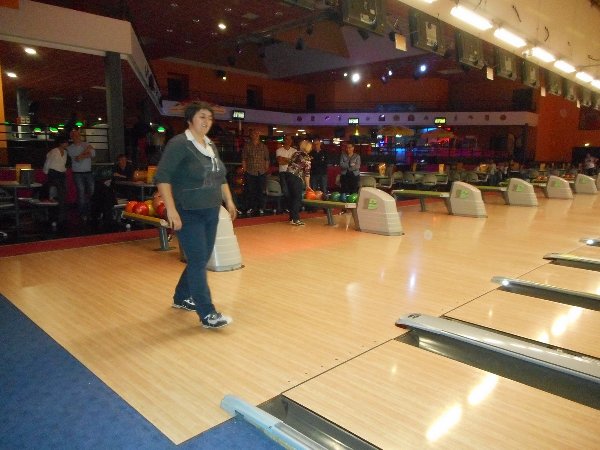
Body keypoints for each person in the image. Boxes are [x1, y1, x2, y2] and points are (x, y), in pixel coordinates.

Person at [154, 101, 236, 329]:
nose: (206, 121)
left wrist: (228, 200)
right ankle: (207, 313)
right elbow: (162, 177)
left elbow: (220, 177)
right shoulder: (179, 144)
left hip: (211, 211)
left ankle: (181, 297)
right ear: (190, 119)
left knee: (199, 258)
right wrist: (171, 209)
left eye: (209, 117)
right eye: (202, 116)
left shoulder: (210, 145)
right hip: (188, 212)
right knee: (199, 260)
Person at [67, 128, 96, 221]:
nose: (76, 137)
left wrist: (83, 155)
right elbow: (77, 159)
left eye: (77, 135)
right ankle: (82, 213)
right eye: (74, 135)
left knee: (91, 192)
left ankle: (90, 212)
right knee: (81, 193)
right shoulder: (70, 148)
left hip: (88, 172)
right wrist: (86, 152)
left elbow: (93, 154)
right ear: (71, 137)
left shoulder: (86, 144)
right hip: (77, 173)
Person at [241, 129, 270, 216]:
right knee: (250, 191)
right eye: (254, 133)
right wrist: (245, 170)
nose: (256, 135)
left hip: (261, 172)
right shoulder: (247, 146)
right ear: (251, 135)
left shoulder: (264, 146)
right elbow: (244, 159)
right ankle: (251, 207)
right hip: (250, 172)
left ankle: (261, 208)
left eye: (257, 133)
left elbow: (267, 159)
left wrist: (265, 169)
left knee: (261, 191)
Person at [42, 135, 69, 225]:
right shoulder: (54, 151)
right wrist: (46, 172)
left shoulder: (65, 152)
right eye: (65, 142)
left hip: (61, 173)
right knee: (58, 193)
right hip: (54, 173)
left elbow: (62, 164)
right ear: (61, 143)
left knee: (63, 193)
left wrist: (64, 170)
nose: (67, 144)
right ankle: (58, 216)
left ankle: (61, 215)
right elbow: (48, 162)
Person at [286, 139, 312, 226]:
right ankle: (295, 219)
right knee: (297, 198)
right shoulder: (306, 157)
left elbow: (290, 163)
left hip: (288, 176)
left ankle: (291, 218)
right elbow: (307, 173)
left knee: (292, 197)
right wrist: (308, 185)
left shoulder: (295, 153)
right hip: (296, 177)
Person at [276, 135, 296, 213]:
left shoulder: (294, 151)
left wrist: (284, 159)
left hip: (292, 173)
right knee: (285, 190)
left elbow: (294, 163)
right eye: (287, 139)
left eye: (290, 139)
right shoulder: (279, 150)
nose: (289, 141)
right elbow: (280, 162)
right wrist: (290, 160)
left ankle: (291, 207)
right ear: (284, 140)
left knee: (292, 190)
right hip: (283, 173)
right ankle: (287, 207)